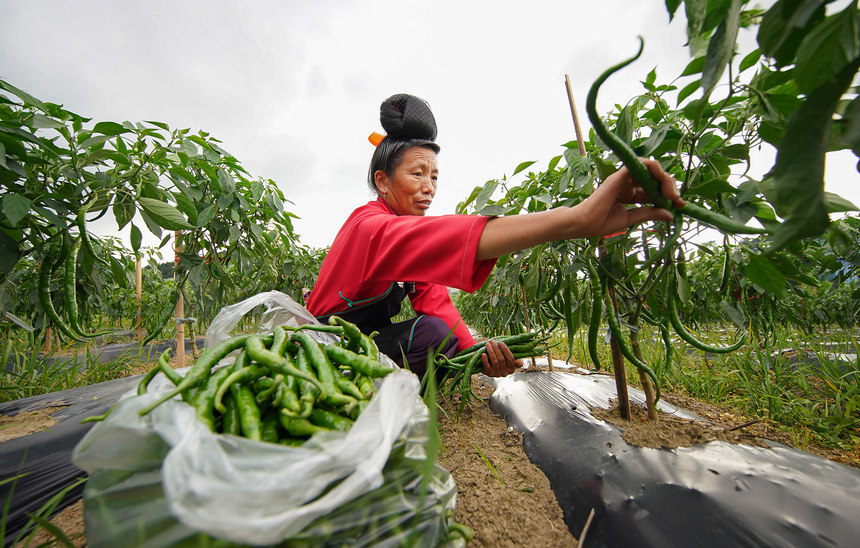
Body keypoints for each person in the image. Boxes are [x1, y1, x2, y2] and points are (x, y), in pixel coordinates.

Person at [306, 93, 683, 382]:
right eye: (417, 174)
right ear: (382, 181)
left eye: (434, 176)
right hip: (321, 348)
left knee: (444, 336)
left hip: (358, 342)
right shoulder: (369, 226)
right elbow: (432, 238)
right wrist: (575, 219)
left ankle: (394, 386)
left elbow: (436, 301)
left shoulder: (401, 231)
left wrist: (476, 356)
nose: (428, 188)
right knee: (434, 338)